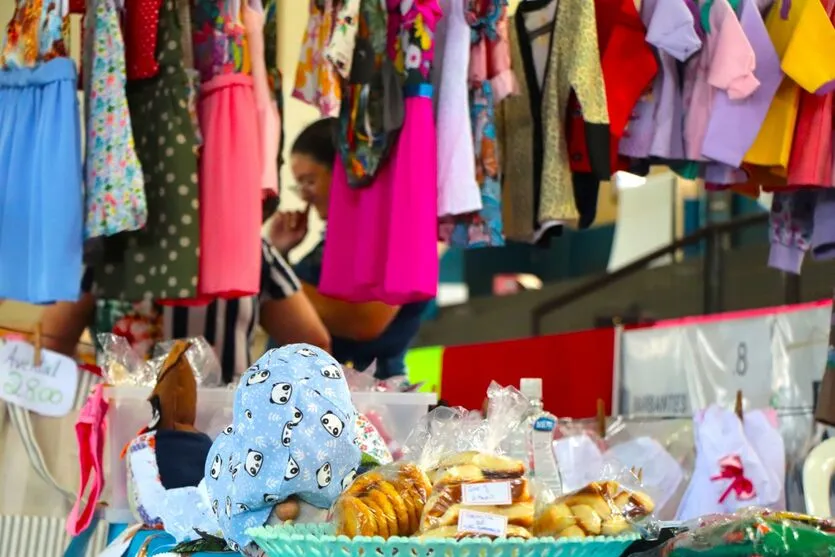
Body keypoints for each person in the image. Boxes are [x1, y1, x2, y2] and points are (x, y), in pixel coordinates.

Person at [41, 205, 330, 382]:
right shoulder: (249, 248)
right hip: (222, 433)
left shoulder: (110, 244)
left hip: (130, 425)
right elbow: (314, 345)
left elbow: (52, 343)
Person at [268, 118, 429, 379]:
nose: (304, 194)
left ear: (345, 174)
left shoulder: (395, 234)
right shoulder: (334, 240)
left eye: (309, 181)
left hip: (365, 399)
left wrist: (271, 277)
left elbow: (364, 321)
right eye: (299, 185)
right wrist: (280, 255)